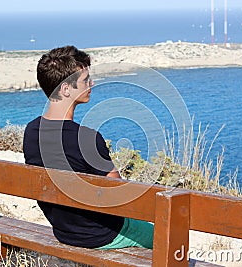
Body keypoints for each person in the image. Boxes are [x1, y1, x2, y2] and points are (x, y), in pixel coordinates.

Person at [23, 45, 153, 249]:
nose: (91, 84)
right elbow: (120, 196)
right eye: (85, 81)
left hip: (64, 232)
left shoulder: (31, 132)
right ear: (66, 89)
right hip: (102, 235)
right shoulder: (87, 138)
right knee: (170, 237)